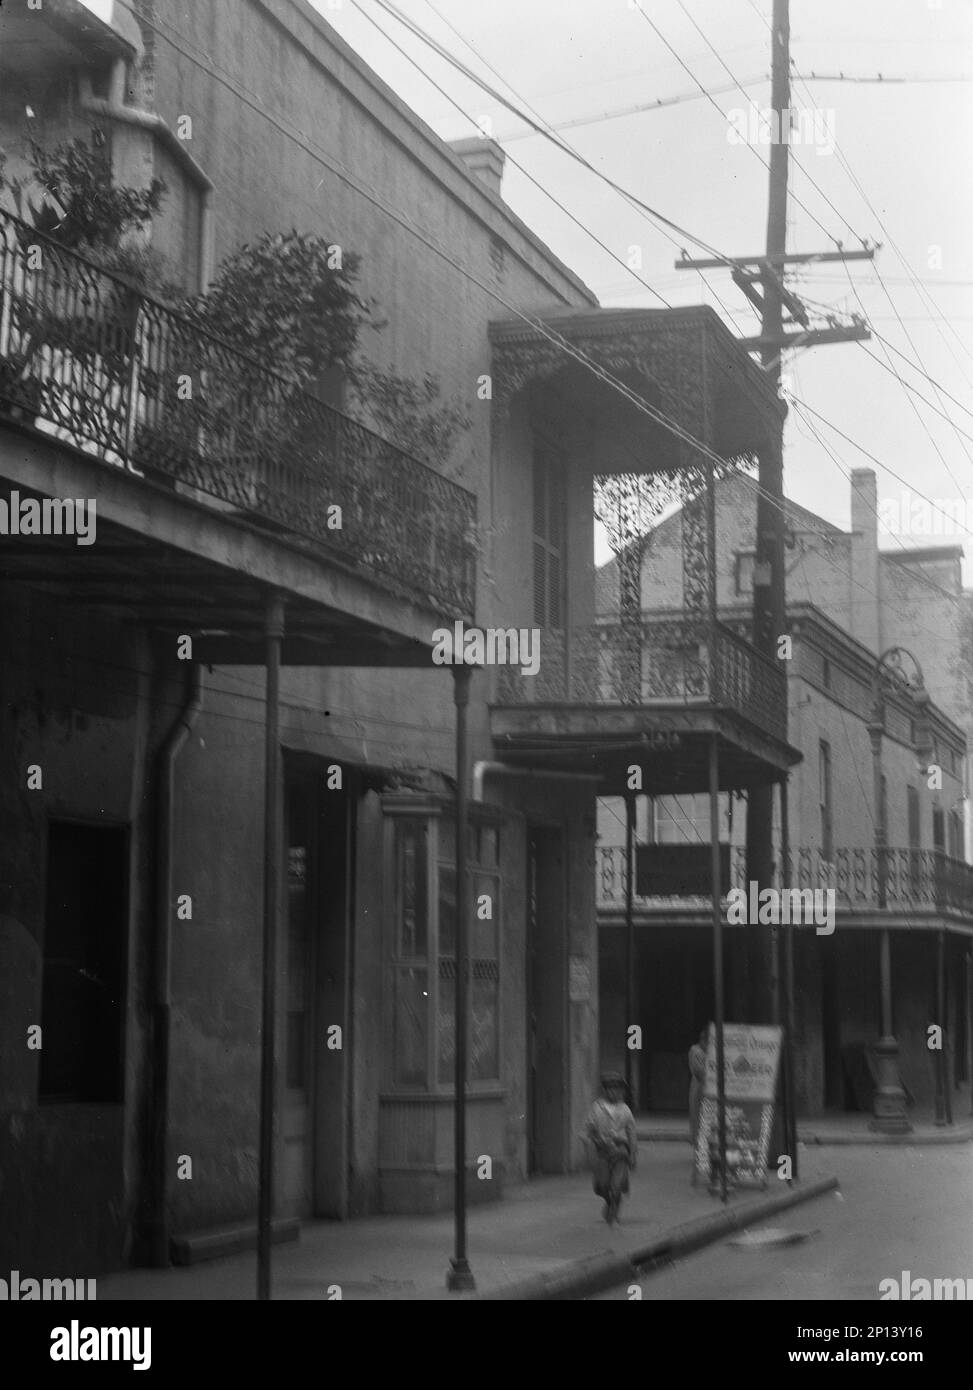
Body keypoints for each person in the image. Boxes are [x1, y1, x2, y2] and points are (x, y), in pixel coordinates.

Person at [584, 1071, 638, 1225]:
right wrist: (595, 1139)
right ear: (605, 1090)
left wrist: (633, 1152)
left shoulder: (625, 1110)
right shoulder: (597, 1107)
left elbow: (631, 1131)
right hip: (602, 1151)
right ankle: (609, 1200)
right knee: (602, 1185)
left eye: (617, 1089)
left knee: (615, 1185)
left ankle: (615, 1206)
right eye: (611, 1088)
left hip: (621, 1150)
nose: (614, 1092)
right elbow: (589, 1129)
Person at [688, 1027, 708, 1181]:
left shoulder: (709, 1051)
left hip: (708, 1089)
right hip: (700, 1088)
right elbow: (698, 1071)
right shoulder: (696, 1051)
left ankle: (706, 1152)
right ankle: (699, 1154)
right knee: (698, 1120)